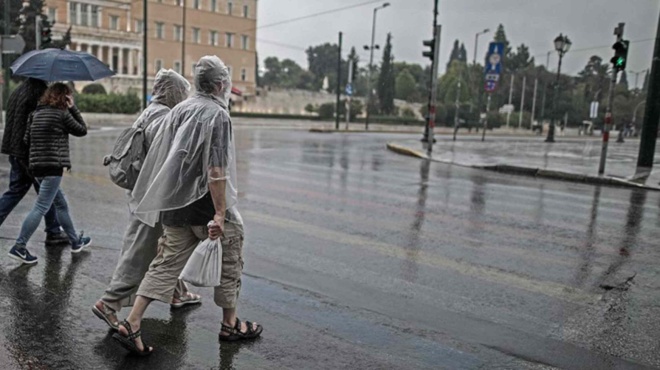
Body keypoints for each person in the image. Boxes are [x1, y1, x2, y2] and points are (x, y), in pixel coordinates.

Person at [113, 56, 262, 356]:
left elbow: (166, 157)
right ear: (221, 85)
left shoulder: (179, 110)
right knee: (230, 260)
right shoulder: (218, 116)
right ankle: (229, 324)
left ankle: (132, 322)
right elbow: (216, 170)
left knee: (165, 266)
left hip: (175, 207)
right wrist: (220, 213)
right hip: (206, 207)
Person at [92, 69, 200, 331]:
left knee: (167, 246)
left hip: (143, 193)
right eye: (181, 92)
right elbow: (168, 160)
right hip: (152, 197)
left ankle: (178, 292)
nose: (184, 97)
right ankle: (109, 303)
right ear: (173, 92)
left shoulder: (149, 111)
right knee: (141, 251)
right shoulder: (164, 118)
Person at [7, 83, 92, 264]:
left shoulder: (34, 114)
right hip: (53, 167)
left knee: (60, 204)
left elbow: (26, 139)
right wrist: (72, 107)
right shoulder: (62, 115)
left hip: (36, 168)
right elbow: (82, 130)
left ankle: (75, 241)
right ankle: (19, 246)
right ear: (64, 97)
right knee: (41, 207)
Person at [0, 78, 68, 245]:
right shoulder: (38, 93)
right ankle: (52, 233)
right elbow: (40, 125)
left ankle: (53, 231)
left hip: (15, 151)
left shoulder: (19, 90)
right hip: (30, 154)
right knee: (47, 193)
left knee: (17, 191)